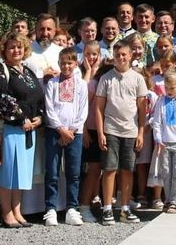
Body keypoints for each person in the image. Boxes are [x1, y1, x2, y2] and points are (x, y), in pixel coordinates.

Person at [0, 33, 45, 228]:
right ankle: (6, 213)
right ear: (4, 49)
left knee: (22, 173)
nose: (16, 50)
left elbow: (39, 96)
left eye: (19, 47)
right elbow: (1, 97)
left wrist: (40, 118)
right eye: (12, 47)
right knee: (7, 172)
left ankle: (17, 211)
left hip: (29, 130)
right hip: (9, 128)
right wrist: (22, 118)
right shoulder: (0, 69)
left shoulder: (27, 71)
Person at [94, 39, 147, 225]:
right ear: (113, 57)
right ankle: (107, 208)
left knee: (127, 170)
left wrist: (141, 132)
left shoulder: (138, 78)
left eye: (124, 54)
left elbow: (142, 109)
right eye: (117, 55)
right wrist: (100, 133)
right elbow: (99, 108)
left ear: (131, 56)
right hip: (110, 130)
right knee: (109, 169)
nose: (121, 58)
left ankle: (125, 208)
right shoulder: (106, 78)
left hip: (131, 132)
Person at [43, 47, 88, 226]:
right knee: (52, 172)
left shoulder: (81, 84)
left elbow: (83, 109)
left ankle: (72, 208)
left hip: (75, 133)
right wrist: (61, 129)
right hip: (54, 131)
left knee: (73, 172)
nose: (66, 66)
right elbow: (49, 108)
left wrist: (72, 130)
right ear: (59, 64)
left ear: (75, 64)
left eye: (70, 63)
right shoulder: (52, 83)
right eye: (63, 63)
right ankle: (50, 208)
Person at [149, 69, 176, 213]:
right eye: (167, 88)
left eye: (172, 88)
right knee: (166, 172)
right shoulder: (161, 101)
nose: (169, 91)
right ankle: (167, 199)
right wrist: (158, 139)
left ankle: (175, 201)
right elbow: (157, 121)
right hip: (164, 142)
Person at [78, 41, 106, 221]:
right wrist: (85, 131)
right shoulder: (82, 75)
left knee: (102, 170)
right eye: (88, 54)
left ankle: (96, 202)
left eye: (95, 54)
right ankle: (84, 206)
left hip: (104, 129)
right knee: (93, 169)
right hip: (90, 129)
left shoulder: (104, 75)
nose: (92, 57)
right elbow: (82, 105)